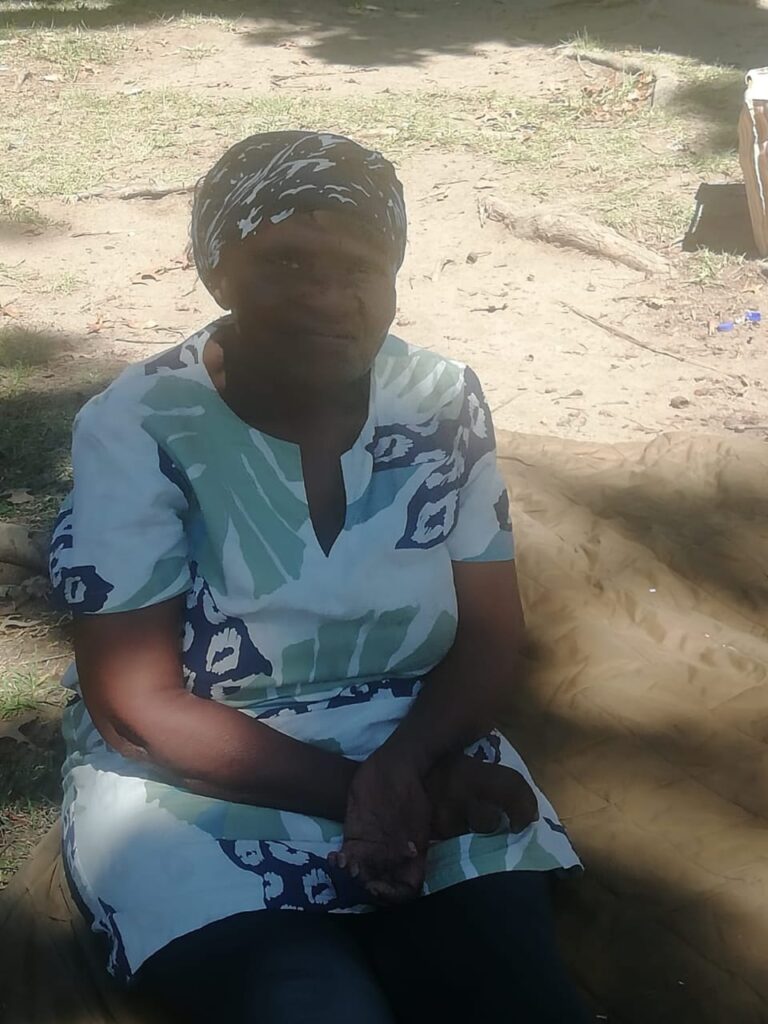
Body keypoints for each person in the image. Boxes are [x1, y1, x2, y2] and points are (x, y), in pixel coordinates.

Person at [50, 130, 588, 1023]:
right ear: (218, 271)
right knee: (310, 1001)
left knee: (517, 995)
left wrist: (406, 768)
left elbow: (492, 635)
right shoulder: (138, 422)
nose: (330, 296)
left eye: (362, 265)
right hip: (194, 778)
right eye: (287, 261)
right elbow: (136, 709)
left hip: (418, 744)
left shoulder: (441, 399)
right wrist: (379, 799)